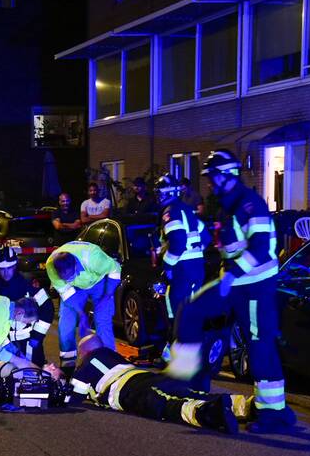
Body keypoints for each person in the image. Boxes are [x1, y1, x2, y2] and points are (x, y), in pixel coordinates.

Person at [166, 149, 296, 434]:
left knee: (258, 345)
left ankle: (273, 413)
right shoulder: (228, 203)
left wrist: (233, 274)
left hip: (254, 285)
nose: (209, 183)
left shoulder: (250, 204)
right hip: (233, 282)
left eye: (212, 177)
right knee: (191, 311)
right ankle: (188, 381)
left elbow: (260, 249)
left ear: (227, 175)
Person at [69, 334, 240, 434]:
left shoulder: (87, 363)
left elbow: (73, 398)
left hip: (126, 389)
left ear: (84, 352)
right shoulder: (110, 353)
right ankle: (244, 406)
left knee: (164, 405)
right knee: (188, 392)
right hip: (146, 376)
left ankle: (209, 414)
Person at [46, 240, 121, 370]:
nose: (65, 279)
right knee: (66, 324)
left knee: (102, 320)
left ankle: (110, 363)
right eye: (63, 277)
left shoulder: (94, 259)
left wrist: (107, 296)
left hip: (99, 282)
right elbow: (67, 293)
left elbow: (115, 269)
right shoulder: (51, 266)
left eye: (69, 276)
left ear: (76, 265)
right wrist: (82, 315)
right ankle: (68, 364)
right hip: (75, 288)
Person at [155, 174, 210, 324]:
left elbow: (178, 243)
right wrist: (195, 254)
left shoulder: (169, 213)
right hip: (197, 267)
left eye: (159, 193)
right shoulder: (188, 210)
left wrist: (167, 265)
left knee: (177, 313)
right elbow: (206, 238)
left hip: (182, 269)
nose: (158, 197)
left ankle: (176, 343)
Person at [0, 246, 54, 366]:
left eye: (9, 268)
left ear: (15, 265)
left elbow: (47, 308)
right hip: (5, 342)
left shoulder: (29, 282)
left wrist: (37, 336)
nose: (6, 272)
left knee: (35, 373)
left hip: (30, 341)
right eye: (2, 269)